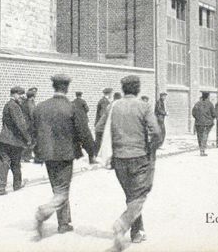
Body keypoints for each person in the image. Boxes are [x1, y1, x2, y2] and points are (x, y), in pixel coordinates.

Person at [97, 75, 160, 250]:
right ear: (138, 89)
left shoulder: (113, 106)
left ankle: (137, 232)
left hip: (118, 159)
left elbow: (98, 128)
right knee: (140, 194)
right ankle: (122, 224)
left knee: (132, 195)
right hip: (139, 156)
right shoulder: (143, 106)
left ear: (123, 89)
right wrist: (151, 148)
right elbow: (156, 131)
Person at [32, 74, 95, 238]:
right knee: (62, 189)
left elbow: (32, 132)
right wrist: (92, 152)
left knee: (57, 188)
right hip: (65, 154)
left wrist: (36, 151)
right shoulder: (72, 107)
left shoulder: (40, 107)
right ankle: (45, 211)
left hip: (46, 154)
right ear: (66, 88)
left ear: (54, 87)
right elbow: (83, 133)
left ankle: (64, 223)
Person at [0, 86, 31, 195]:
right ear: (14, 94)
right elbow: (20, 124)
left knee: (4, 163)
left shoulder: (7, 105)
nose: (22, 97)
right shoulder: (15, 106)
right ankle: (17, 184)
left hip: (4, 139)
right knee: (16, 163)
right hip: (15, 140)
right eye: (20, 95)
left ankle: (1, 187)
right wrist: (28, 138)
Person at [192, 91, 215, 156]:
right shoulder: (210, 104)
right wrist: (211, 118)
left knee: (199, 136)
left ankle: (201, 149)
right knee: (205, 136)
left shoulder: (197, 104)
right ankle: (202, 150)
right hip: (207, 123)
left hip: (198, 123)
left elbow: (193, 113)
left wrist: (198, 118)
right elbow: (213, 114)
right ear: (208, 97)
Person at [95, 87, 114, 156]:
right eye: (111, 93)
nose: (112, 95)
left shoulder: (102, 100)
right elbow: (103, 114)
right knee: (100, 141)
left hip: (100, 125)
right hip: (102, 126)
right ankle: (97, 156)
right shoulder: (104, 102)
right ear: (109, 94)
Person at [22, 87, 39, 163]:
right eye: (34, 93)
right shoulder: (30, 103)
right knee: (30, 140)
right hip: (30, 125)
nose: (35, 94)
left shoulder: (27, 102)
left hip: (28, 124)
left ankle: (27, 155)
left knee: (30, 140)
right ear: (32, 96)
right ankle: (26, 156)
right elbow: (32, 114)